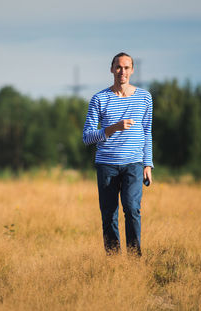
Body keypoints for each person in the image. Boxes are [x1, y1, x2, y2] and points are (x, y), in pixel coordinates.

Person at [82, 52, 153, 256]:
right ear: (111, 69)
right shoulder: (99, 99)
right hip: (106, 165)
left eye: (126, 67)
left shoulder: (144, 98)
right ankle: (113, 262)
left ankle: (134, 259)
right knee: (109, 215)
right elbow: (87, 137)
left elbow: (147, 132)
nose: (122, 71)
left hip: (134, 163)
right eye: (118, 67)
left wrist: (147, 164)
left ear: (132, 70)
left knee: (132, 209)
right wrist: (113, 128)